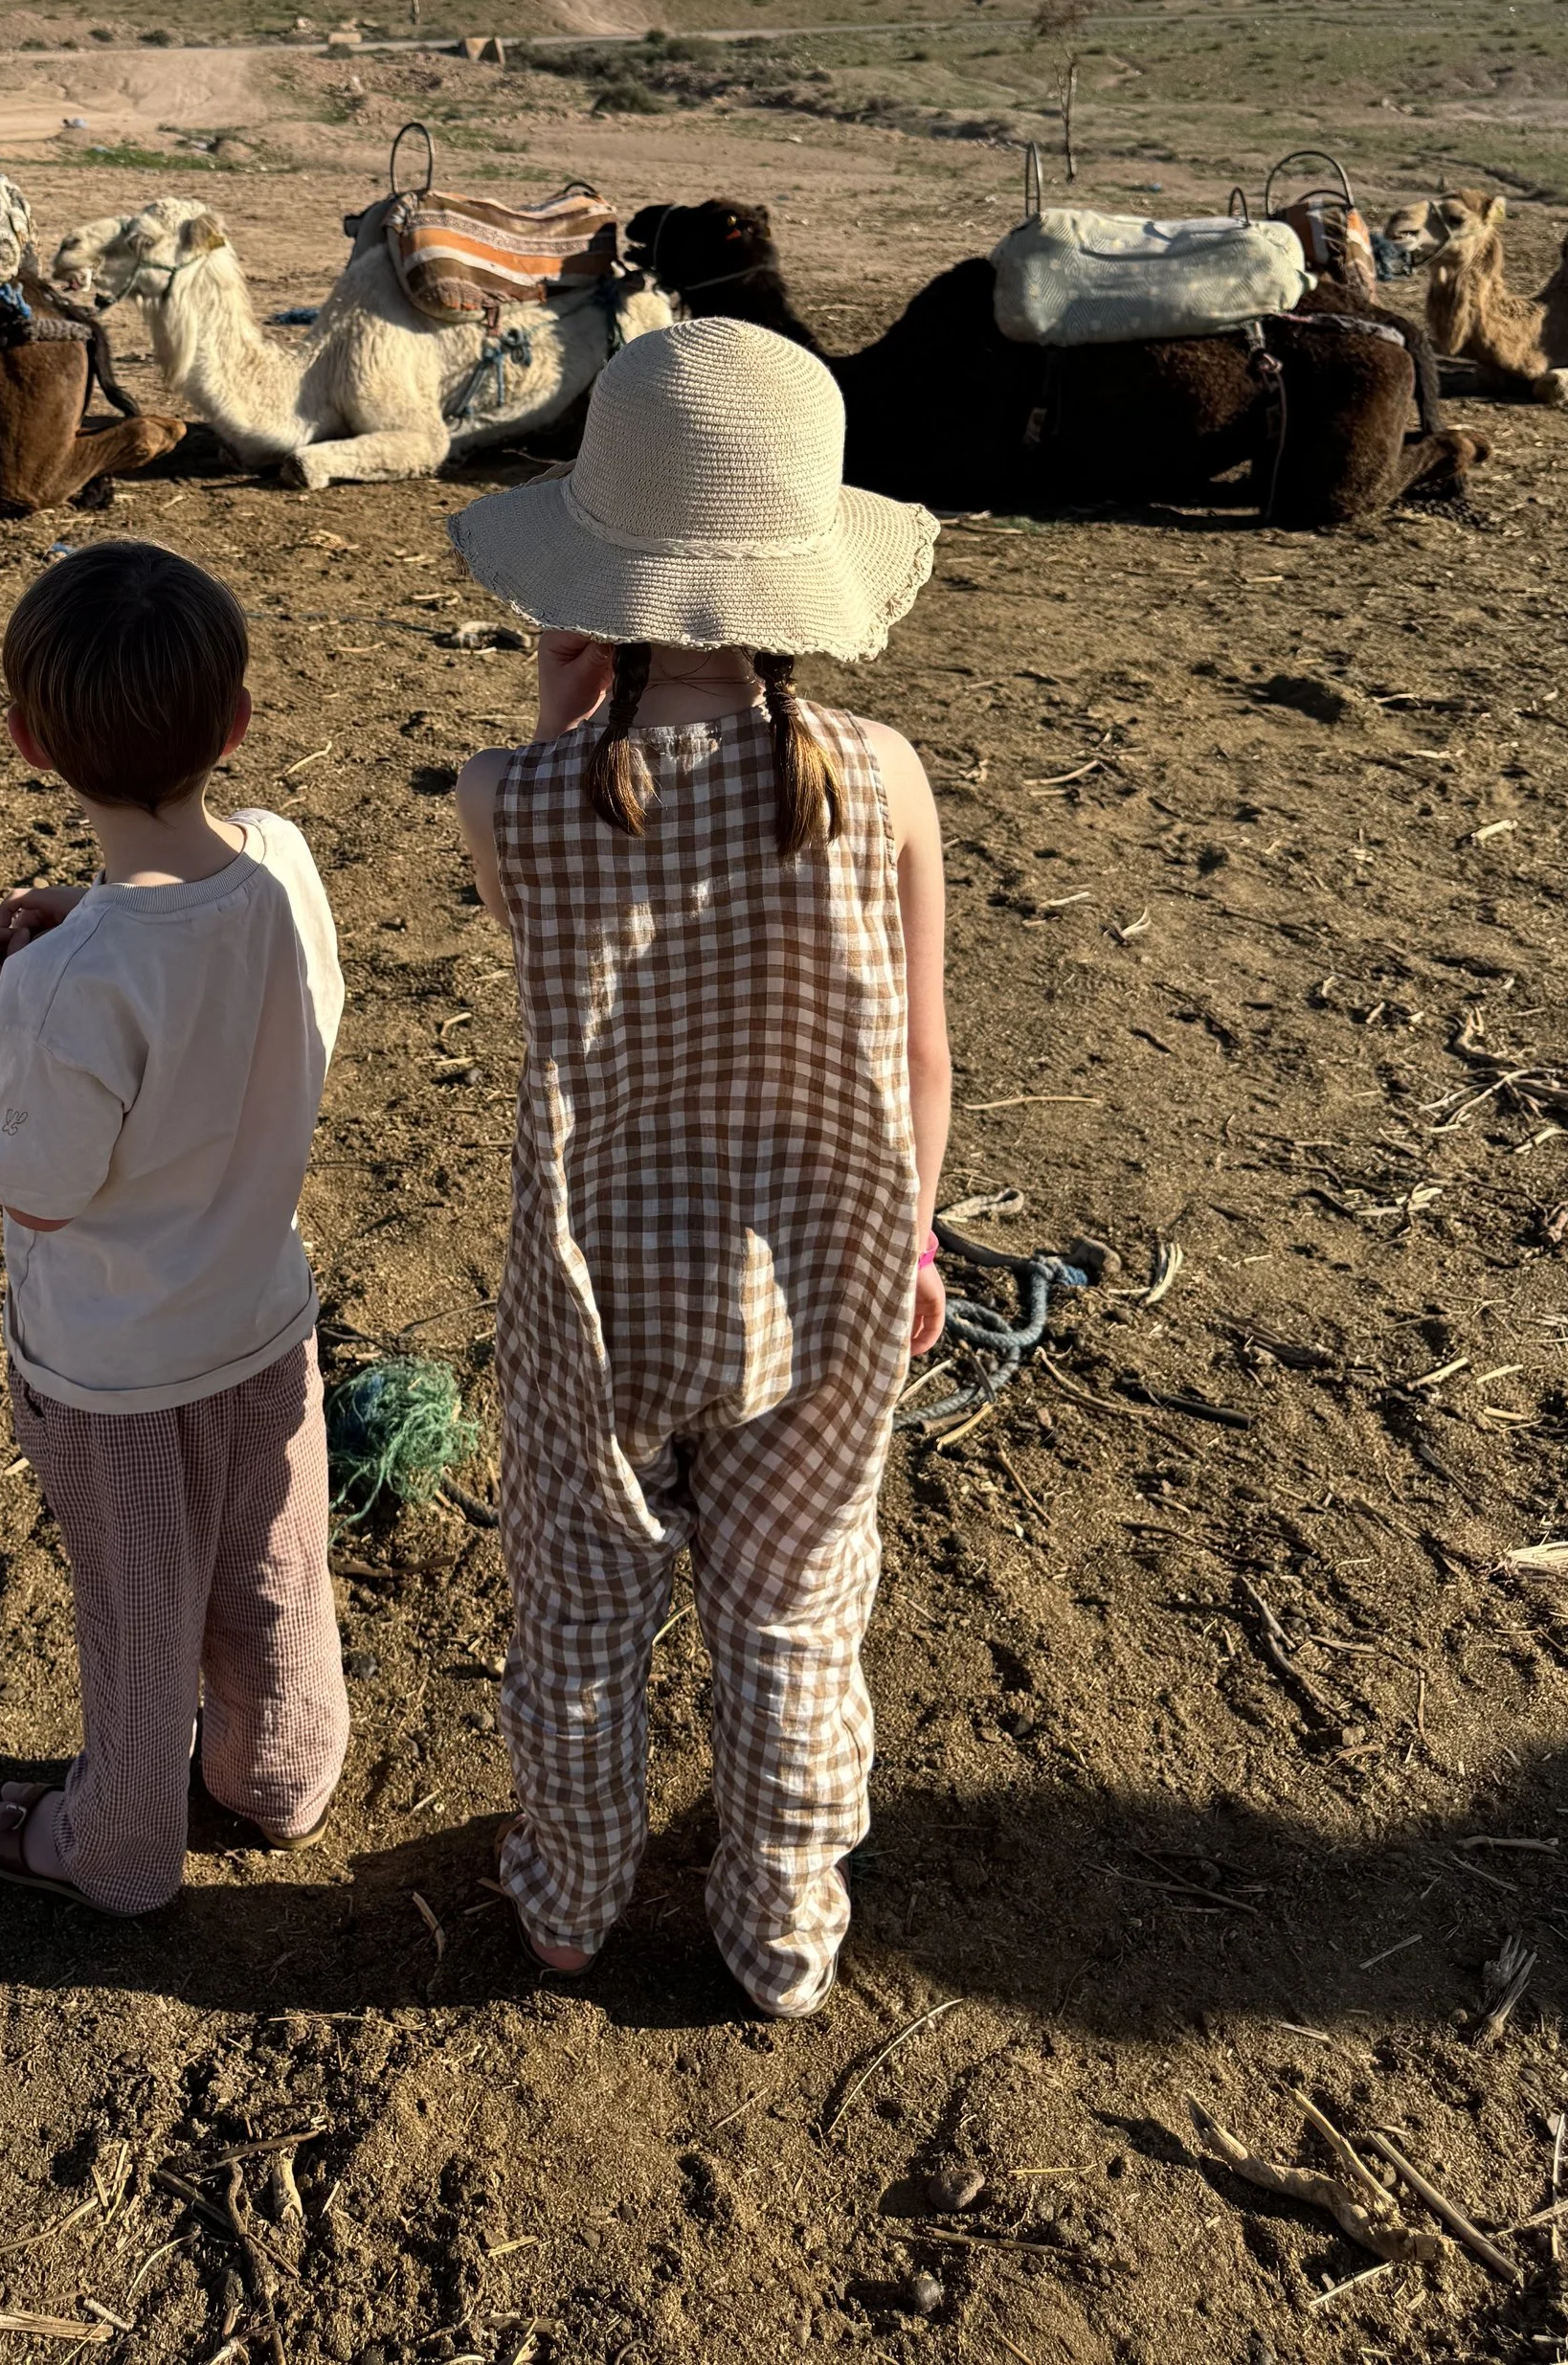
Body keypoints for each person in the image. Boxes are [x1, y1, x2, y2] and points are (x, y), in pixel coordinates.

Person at [448, 317, 952, 2018]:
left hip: (595, 1294)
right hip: (830, 1273)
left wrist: (555, 699)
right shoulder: (882, 779)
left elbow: (560, 930)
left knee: (585, 1612)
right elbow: (920, 1056)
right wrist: (918, 1255)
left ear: (596, 564)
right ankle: (786, 1934)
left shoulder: (505, 799)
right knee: (798, 1617)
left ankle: (572, 1905)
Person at [0, 538, 349, 1914]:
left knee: (138, 1612)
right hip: (262, 1324)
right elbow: (241, 988)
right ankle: (280, 1775)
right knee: (274, 1565)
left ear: (25, 742)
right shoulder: (286, 867)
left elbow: (42, 1182)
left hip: (116, 1374)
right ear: (235, 723)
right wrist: (89, 936)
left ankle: (116, 1843)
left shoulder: (63, 988)